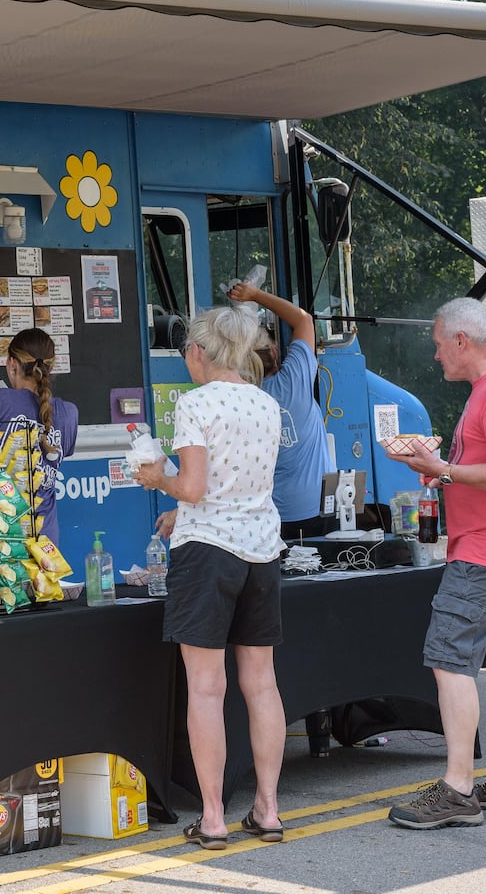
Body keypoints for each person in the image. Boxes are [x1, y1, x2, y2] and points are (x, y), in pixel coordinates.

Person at [383, 296, 486, 829]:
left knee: (448, 658)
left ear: (461, 340)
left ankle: (457, 788)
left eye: (437, 345)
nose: (435, 356)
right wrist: (442, 469)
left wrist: (446, 471)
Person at [134, 305, 287, 850]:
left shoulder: (195, 403)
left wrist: (159, 478)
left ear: (198, 351)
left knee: (206, 687)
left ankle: (216, 817)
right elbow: (237, 483)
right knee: (262, 684)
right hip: (262, 551)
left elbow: (195, 486)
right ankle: (267, 810)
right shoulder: (266, 403)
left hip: (208, 554)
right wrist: (188, 504)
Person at [227, 281, 336, 538]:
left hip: (270, 516)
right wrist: (254, 294)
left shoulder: (240, 398)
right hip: (319, 508)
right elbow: (303, 321)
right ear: (275, 352)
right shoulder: (294, 381)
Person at [0, 328, 79, 548]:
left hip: (2, 539)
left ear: (12, 364)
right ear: (51, 367)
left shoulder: (1, 401)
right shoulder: (69, 412)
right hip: (46, 542)